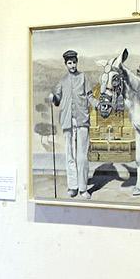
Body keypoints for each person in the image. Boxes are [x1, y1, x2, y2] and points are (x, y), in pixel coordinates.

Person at [50, 49, 98, 198]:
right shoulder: (62, 81)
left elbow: (90, 96)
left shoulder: (83, 77)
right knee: (70, 155)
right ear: (66, 64)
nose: (72, 65)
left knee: (82, 156)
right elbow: (57, 100)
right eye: (69, 63)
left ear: (77, 62)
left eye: (74, 62)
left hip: (82, 120)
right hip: (67, 122)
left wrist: (98, 104)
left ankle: (83, 188)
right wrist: (53, 98)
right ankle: (73, 186)